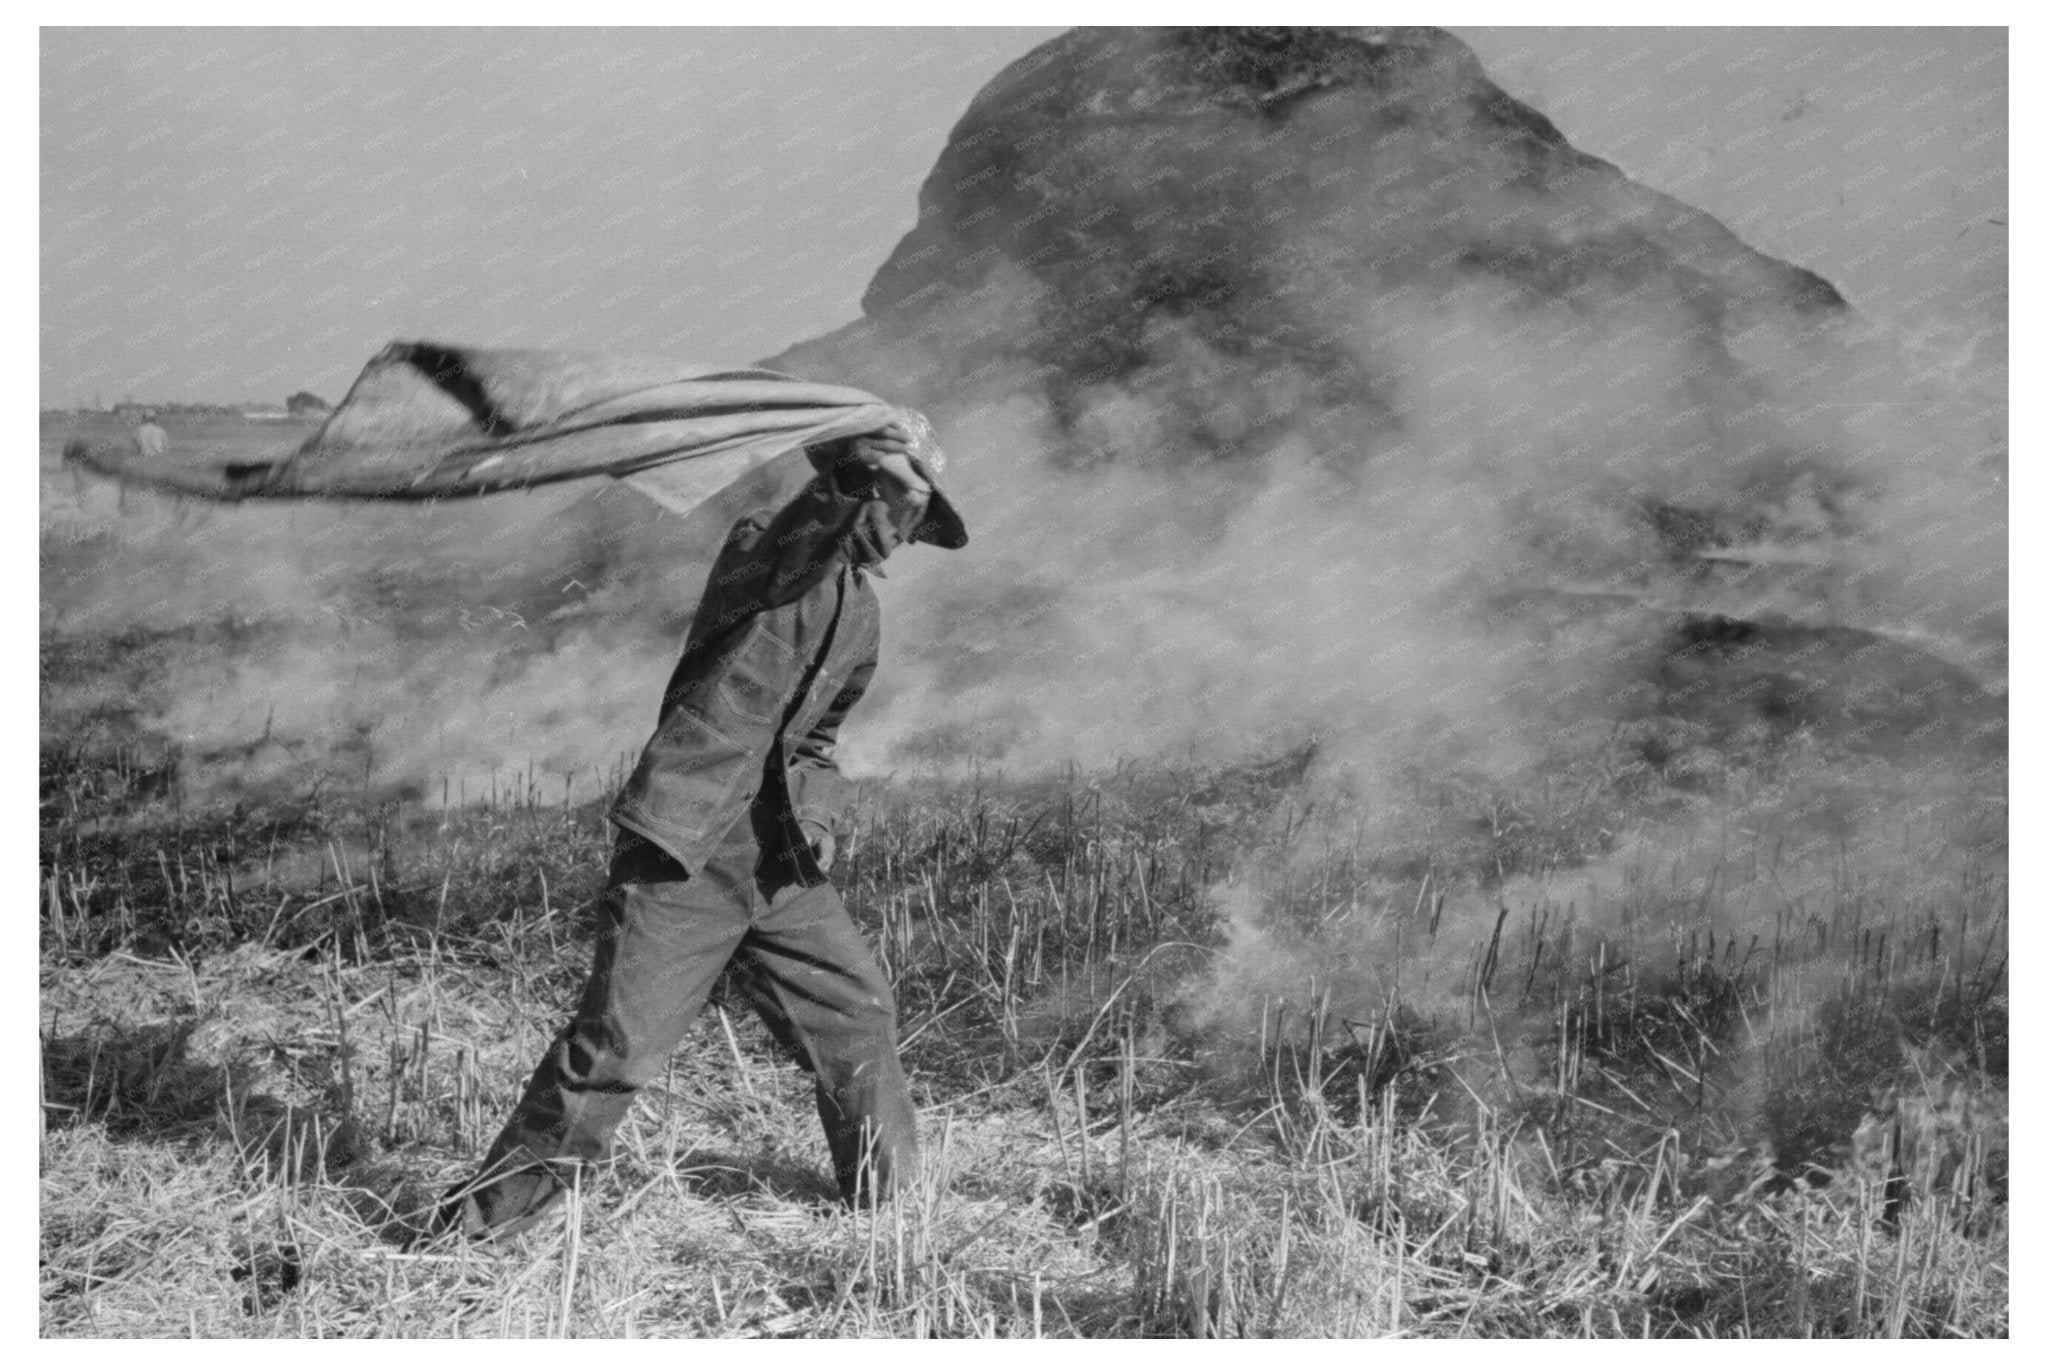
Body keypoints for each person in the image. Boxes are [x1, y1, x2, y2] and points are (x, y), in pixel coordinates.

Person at [435, 413, 967, 1243]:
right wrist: (868, 470)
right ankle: (473, 1229)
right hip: (684, 850)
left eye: (916, 516)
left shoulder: (862, 616)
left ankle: (892, 1210)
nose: (904, 533)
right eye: (899, 508)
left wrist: (818, 811)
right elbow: (809, 527)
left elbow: (820, 740)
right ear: (855, 494)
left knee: (857, 1009)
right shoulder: (768, 554)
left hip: (779, 865)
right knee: (615, 1050)